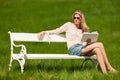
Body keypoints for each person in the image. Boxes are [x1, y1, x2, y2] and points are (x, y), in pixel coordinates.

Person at [38, 10, 117, 74]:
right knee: (100, 44)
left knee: (97, 50)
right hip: (73, 49)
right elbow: (56, 30)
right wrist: (44, 32)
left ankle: (105, 73)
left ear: (81, 19)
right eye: (74, 17)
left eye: (78, 18)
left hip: (82, 48)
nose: (75, 19)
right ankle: (109, 67)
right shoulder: (68, 25)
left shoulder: (82, 30)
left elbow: (82, 44)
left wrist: (88, 43)